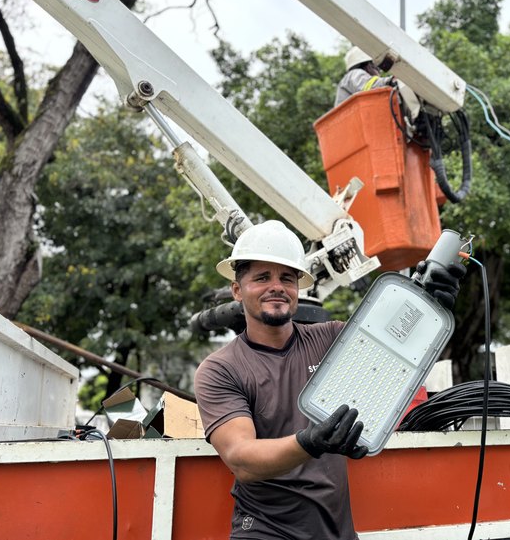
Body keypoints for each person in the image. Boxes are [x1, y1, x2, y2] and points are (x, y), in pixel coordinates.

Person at [193, 220, 465, 540]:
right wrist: (310, 442)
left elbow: (400, 356)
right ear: (237, 290)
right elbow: (242, 459)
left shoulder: (333, 338)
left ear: (298, 288)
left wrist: (430, 304)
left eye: (287, 278)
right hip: (268, 530)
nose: (276, 286)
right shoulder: (220, 369)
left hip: (337, 530)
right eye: (262, 277)